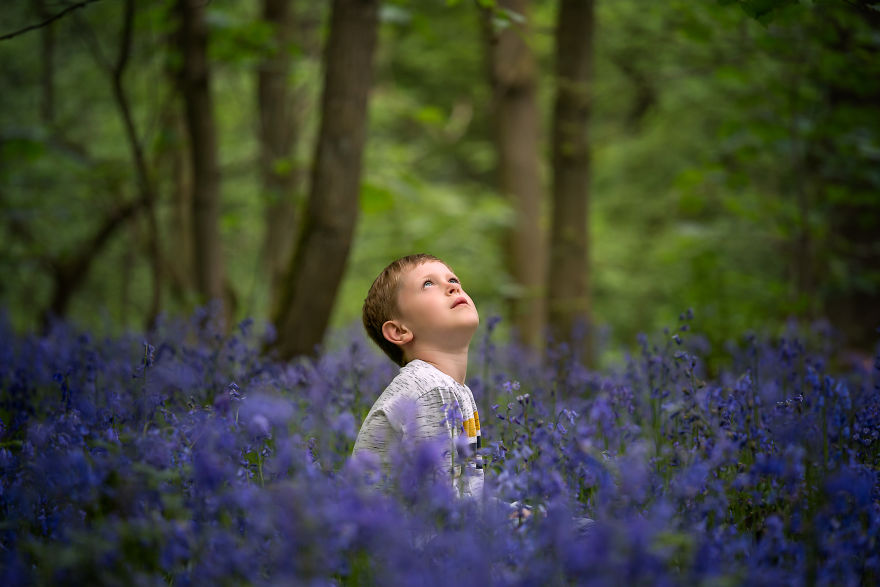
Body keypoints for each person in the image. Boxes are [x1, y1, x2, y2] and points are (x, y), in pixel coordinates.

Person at [353, 253, 484, 498]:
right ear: (400, 331)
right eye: (428, 283)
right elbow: (437, 507)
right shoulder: (429, 390)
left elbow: (469, 496)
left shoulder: (457, 391)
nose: (452, 286)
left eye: (453, 279)